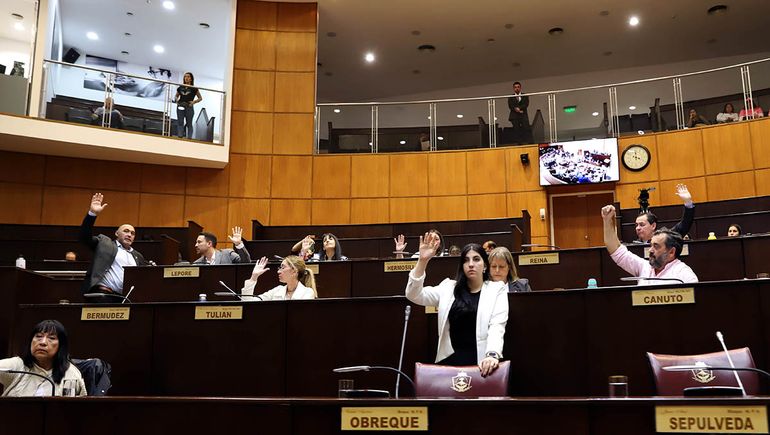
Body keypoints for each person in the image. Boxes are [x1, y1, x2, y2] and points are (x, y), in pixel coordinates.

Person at [405, 234, 508, 377]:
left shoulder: (497, 290)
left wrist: (492, 354)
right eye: (466, 260)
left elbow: (497, 326)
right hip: (450, 363)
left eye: (476, 259)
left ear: (485, 265)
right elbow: (413, 294)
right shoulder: (448, 288)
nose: (471, 264)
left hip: (482, 362)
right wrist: (422, 261)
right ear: (462, 266)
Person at [602, 204, 698, 284]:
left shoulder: (685, 275)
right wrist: (607, 220)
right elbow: (616, 250)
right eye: (651, 245)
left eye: (656, 246)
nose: (651, 250)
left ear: (671, 252)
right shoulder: (644, 266)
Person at [79, 193, 148, 297]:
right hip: (104, 294)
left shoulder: (138, 256)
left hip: (126, 298)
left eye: (132, 233)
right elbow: (84, 237)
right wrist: (92, 214)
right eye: (126, 231)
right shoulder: (104, 243)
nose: (129, 235)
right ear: (117, 233)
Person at [0, 320, 86, 397]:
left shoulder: (71, 374)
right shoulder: (17, 365)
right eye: (38, 336)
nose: (43, 342)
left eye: (51, 338)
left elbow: (75, 408)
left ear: (61, 346)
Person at [242, 255, 317, 300]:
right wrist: (253, 277)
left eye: (283, 267)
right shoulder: (277, 290)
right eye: (279, 268)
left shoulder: (307, 292)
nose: (278, 271)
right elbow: (248, 303)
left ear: (294, 271)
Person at [175, 72, 203, 139]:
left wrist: (194, 102)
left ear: (191, 79)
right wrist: (176, 100)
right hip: (180, 105)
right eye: (185, 76)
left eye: (188, 77)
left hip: (189, 106)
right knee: (180, 122)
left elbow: (200, 98)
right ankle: (180, 136)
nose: (186, 78)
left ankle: (189, 138)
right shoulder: (180, 87)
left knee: (189, 123)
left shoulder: (194, 88)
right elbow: (176, 96)